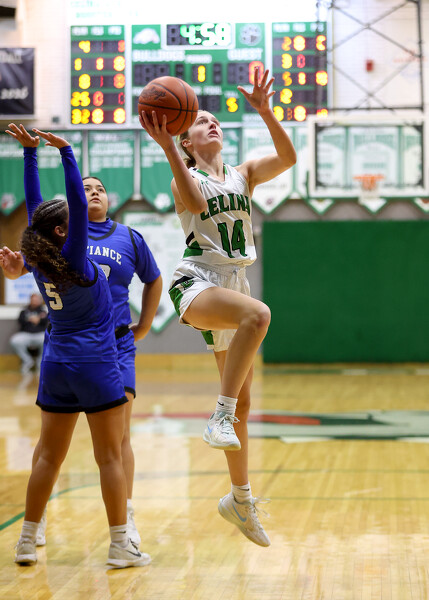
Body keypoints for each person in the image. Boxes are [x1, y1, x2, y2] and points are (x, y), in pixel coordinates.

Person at [139, 67, 297, 546]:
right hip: (197, 280)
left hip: (234, 281)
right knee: (258, 315)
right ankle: (218, 415)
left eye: (214, 120)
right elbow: (193, 202)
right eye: (200, 121)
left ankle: (240, 499)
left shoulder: (244, 175)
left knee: (245, 401)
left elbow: (288, 158)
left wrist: (266, 112)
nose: (211, 122)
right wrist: (168, 149)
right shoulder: (184, 176)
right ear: (186, 140)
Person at [5, 122, 150, 569]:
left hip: (56, 364)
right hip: (96, 363)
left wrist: (30, 155)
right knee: (109, 456)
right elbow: (68, 203)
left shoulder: (39, 260)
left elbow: (35, 209)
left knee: (47, 457)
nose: (80, 215)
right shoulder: (75, 256)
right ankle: (120, 545)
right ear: (64, 230)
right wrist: (67, 153)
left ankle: (26, 540)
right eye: (73, 218)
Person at [10, 292, 48, 373]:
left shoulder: (43, 311)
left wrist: (39, 319)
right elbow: (21, 321)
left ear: (40, 301)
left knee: (47, 340)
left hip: (40, 334)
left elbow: (46, 321)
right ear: (30, 300)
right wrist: (30, 319)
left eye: (36, 300)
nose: (35, 301)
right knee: (15, 340)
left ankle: (40, 363)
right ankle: (27, 361)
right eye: (33, 300)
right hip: (26, 334)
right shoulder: (24, 311)